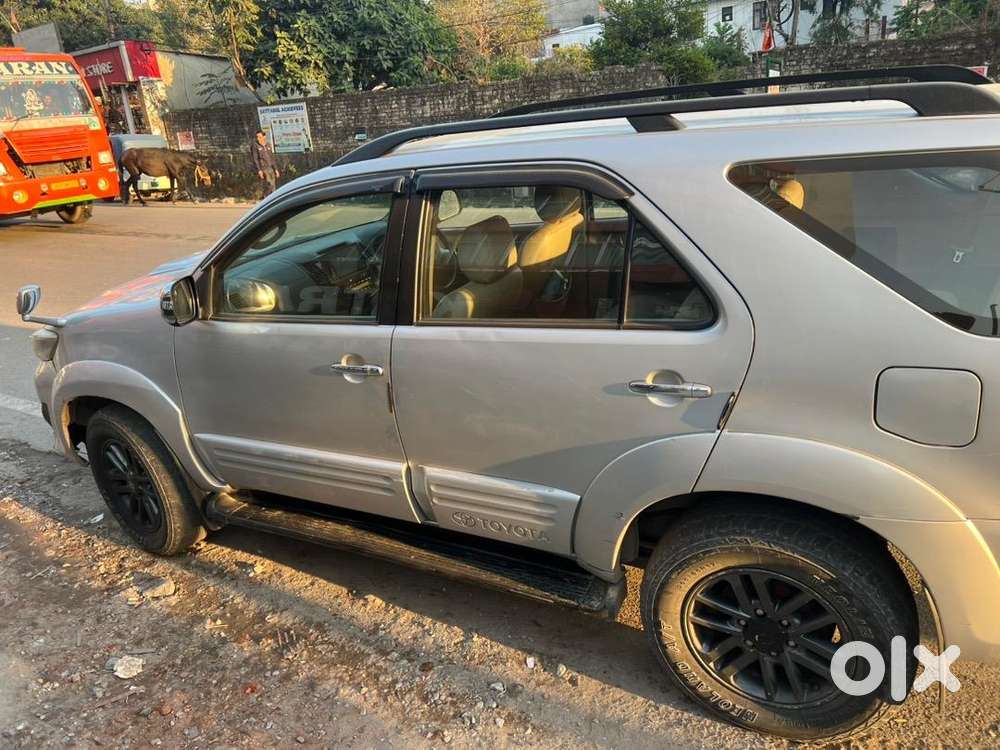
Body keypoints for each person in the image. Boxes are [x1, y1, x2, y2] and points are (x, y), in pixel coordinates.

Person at [251, 130, 280, 198]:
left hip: (271, 167)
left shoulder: (268, 145)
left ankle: (270, 198)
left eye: (260, 137)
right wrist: (259, 170)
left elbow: (272, 158)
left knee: (273, 184)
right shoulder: (255, 146)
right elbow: (255, 159)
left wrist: (276, 169)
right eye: (257, 137)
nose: (258, 139)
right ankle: (267, 197)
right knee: (269, 183)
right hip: (264, 168)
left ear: (264, 137)